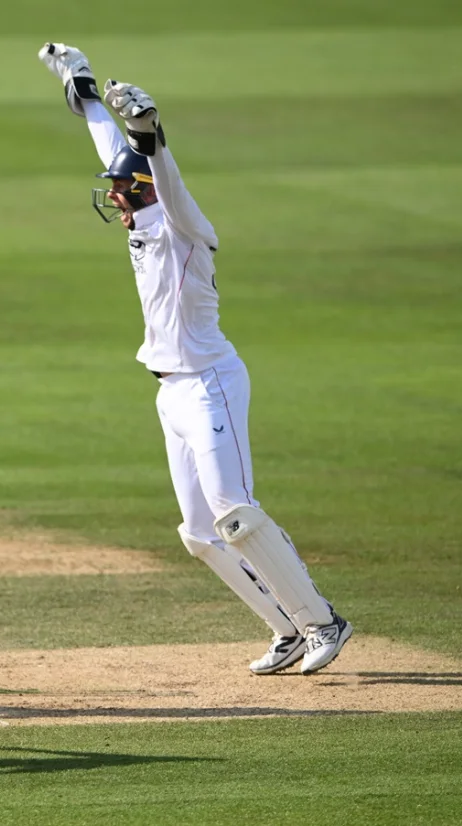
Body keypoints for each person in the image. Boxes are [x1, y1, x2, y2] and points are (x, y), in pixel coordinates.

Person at [37, 43, 353, 675]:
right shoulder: (140, 218)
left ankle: (323, 622)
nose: (115, 200)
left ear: (146, 187)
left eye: (123, 191)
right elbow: (110, 146)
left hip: (211, 384)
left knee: (233, 509)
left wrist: (148, 133)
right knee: (200, 534)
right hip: (169, 391)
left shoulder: (185, 226)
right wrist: (83, 86)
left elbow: (165, 178)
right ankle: (287, 628)